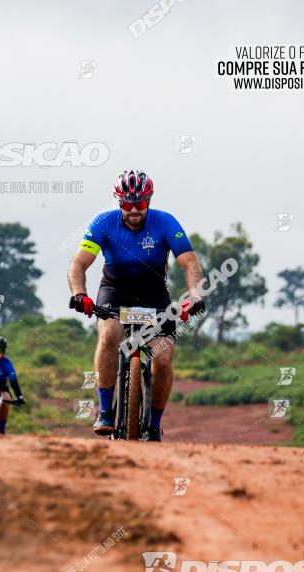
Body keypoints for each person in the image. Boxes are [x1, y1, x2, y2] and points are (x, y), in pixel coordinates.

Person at [67, 169, 204, 441]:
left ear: (149, 201)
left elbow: (190, 263)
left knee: (163, 360)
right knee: (109, 336)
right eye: (128, 205)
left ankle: (154, 424)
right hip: (114, 291)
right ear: (119, 203)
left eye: (139, 204)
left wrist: (195, 296)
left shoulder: (165, 222)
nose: (133, 210)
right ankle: (105, 411)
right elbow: (79, 264)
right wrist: (80, 293)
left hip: (153, 295)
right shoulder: (104, 223)